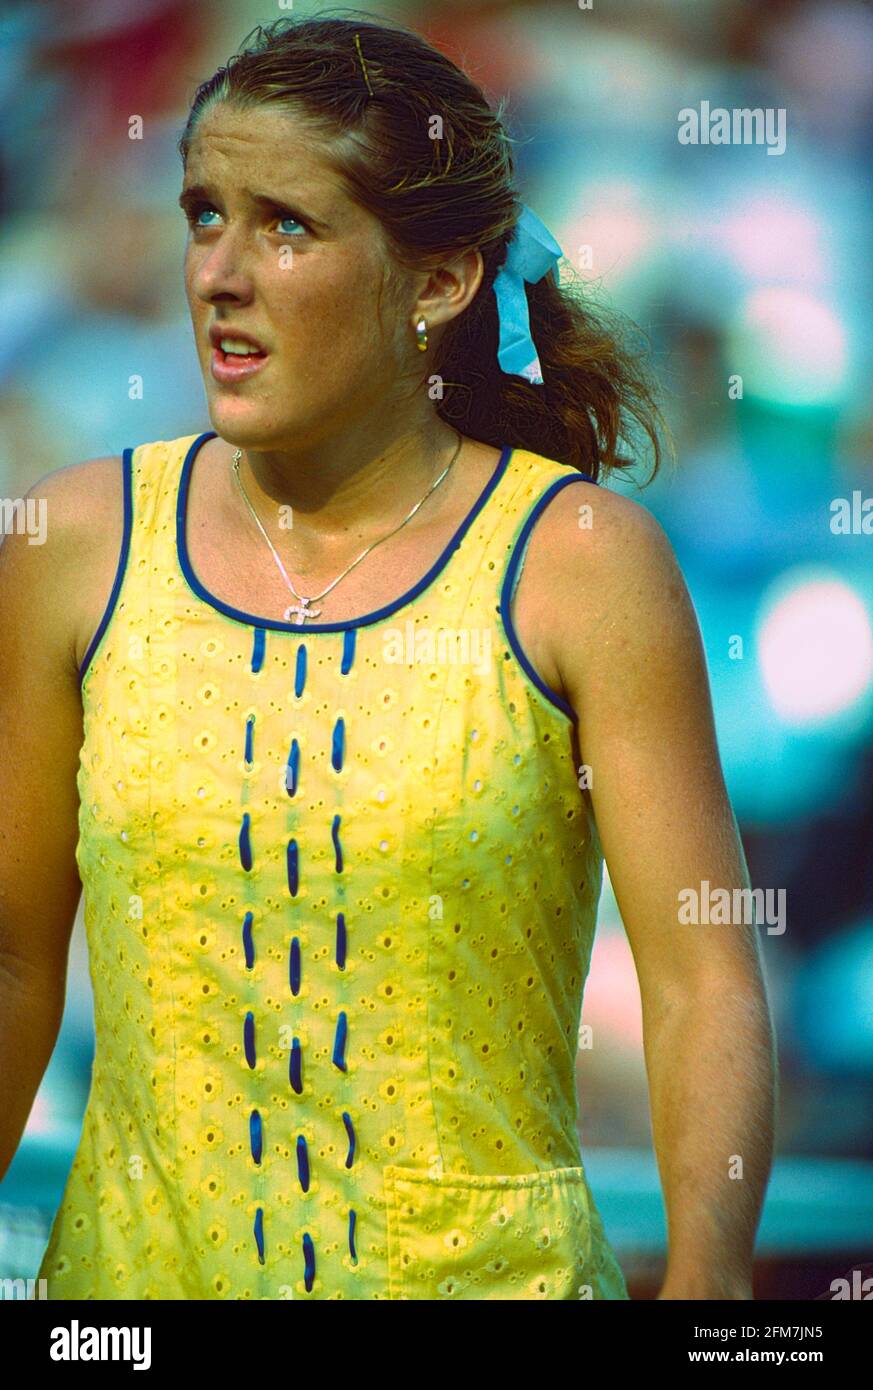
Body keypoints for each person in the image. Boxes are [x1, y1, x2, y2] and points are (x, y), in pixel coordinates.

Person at [0, 14, 775, 1300]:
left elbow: (701, 979)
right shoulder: (74, 541)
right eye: (204, 216)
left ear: (438, 282)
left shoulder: (582, 560)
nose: (219, 274)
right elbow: (15, 957)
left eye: (287, 226)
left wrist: (711, 1291)